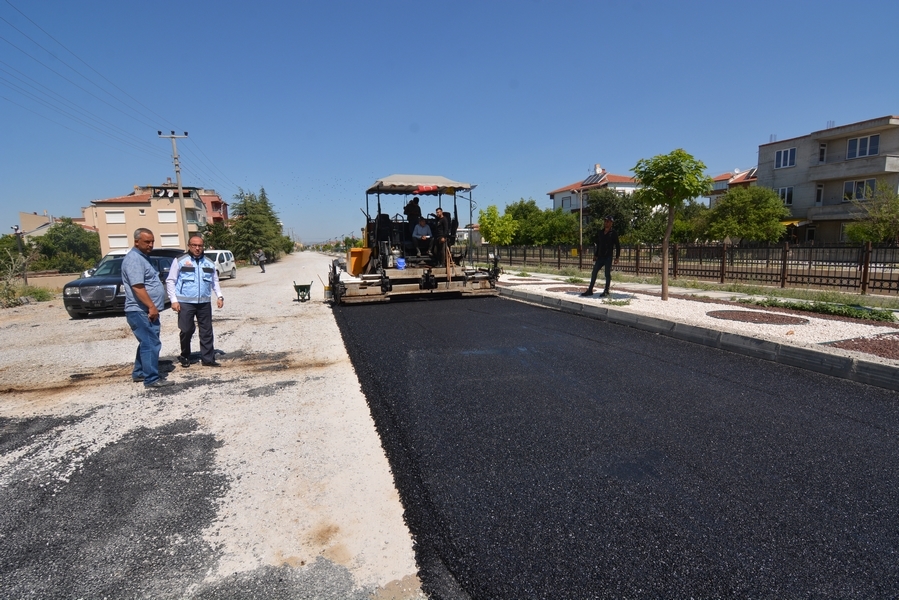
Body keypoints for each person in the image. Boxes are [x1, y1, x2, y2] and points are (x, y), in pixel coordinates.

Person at [122, 228, 172, 388]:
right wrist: (151, 306)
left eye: (152, 241)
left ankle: (140, 372)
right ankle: (151, 379)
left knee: (146, 341)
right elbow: (137, 287)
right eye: (147, 242)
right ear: (136, 241)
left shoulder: (142, 258)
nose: (151, 245)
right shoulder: (134, 259)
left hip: (143, 310)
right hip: (140, 310)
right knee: (151, 343)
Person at [166, 235, 224, 368]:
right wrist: (174, 300)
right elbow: (171, 280)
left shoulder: (209, 262)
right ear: (189, 246)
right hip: (185, 302)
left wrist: (219, 296)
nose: (197, 248)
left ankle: (208, 359)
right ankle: (185, 355)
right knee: (186, 330)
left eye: (200, 246)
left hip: (204, 302)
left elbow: (214, 281)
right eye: (194, 245)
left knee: (206, 331)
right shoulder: (180, 260)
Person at [581, 215, 621, 297]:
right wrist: (595, 255)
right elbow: (599, 245)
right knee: (594, 272)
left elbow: (617, 246)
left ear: (611, 223)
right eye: (605, 221)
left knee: (607, 274)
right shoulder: (600, 232)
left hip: (608, 257)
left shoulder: (613, 233)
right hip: (600, 257)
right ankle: (590, 290)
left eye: (608, 222)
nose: (606, 223)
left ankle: (606, 291)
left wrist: (617, 257)